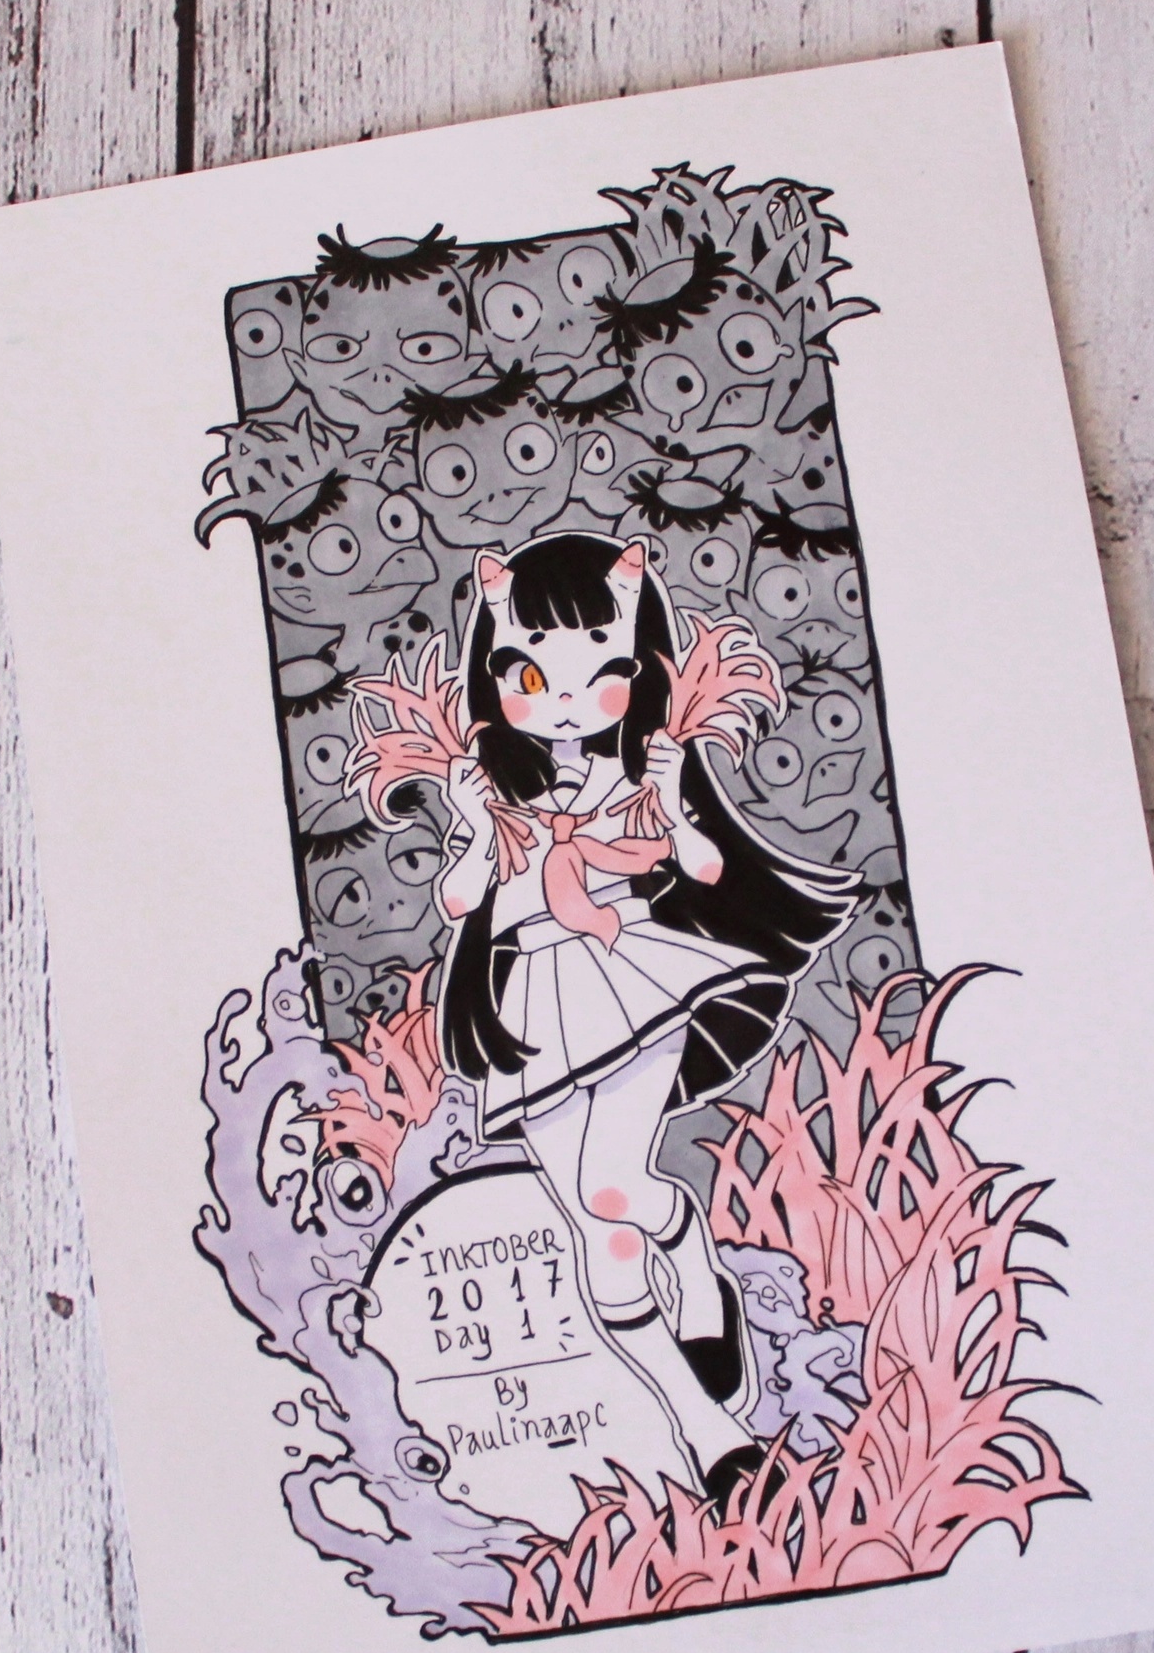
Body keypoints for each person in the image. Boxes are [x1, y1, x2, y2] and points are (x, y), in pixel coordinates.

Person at [360, 530, 855, 1501]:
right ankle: (707, 1415)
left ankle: (697, 1298)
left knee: (609, 1193)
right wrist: (475, 826)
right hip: (529, 1004)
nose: (563, 700)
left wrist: (669, 797)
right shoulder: (497, 793)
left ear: (638, 669)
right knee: (602, 1225)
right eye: (530, 675)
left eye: (599, 674)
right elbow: (460, 902)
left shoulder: (631, 778)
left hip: (629, 976)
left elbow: (701, 867)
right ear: (494, 672)